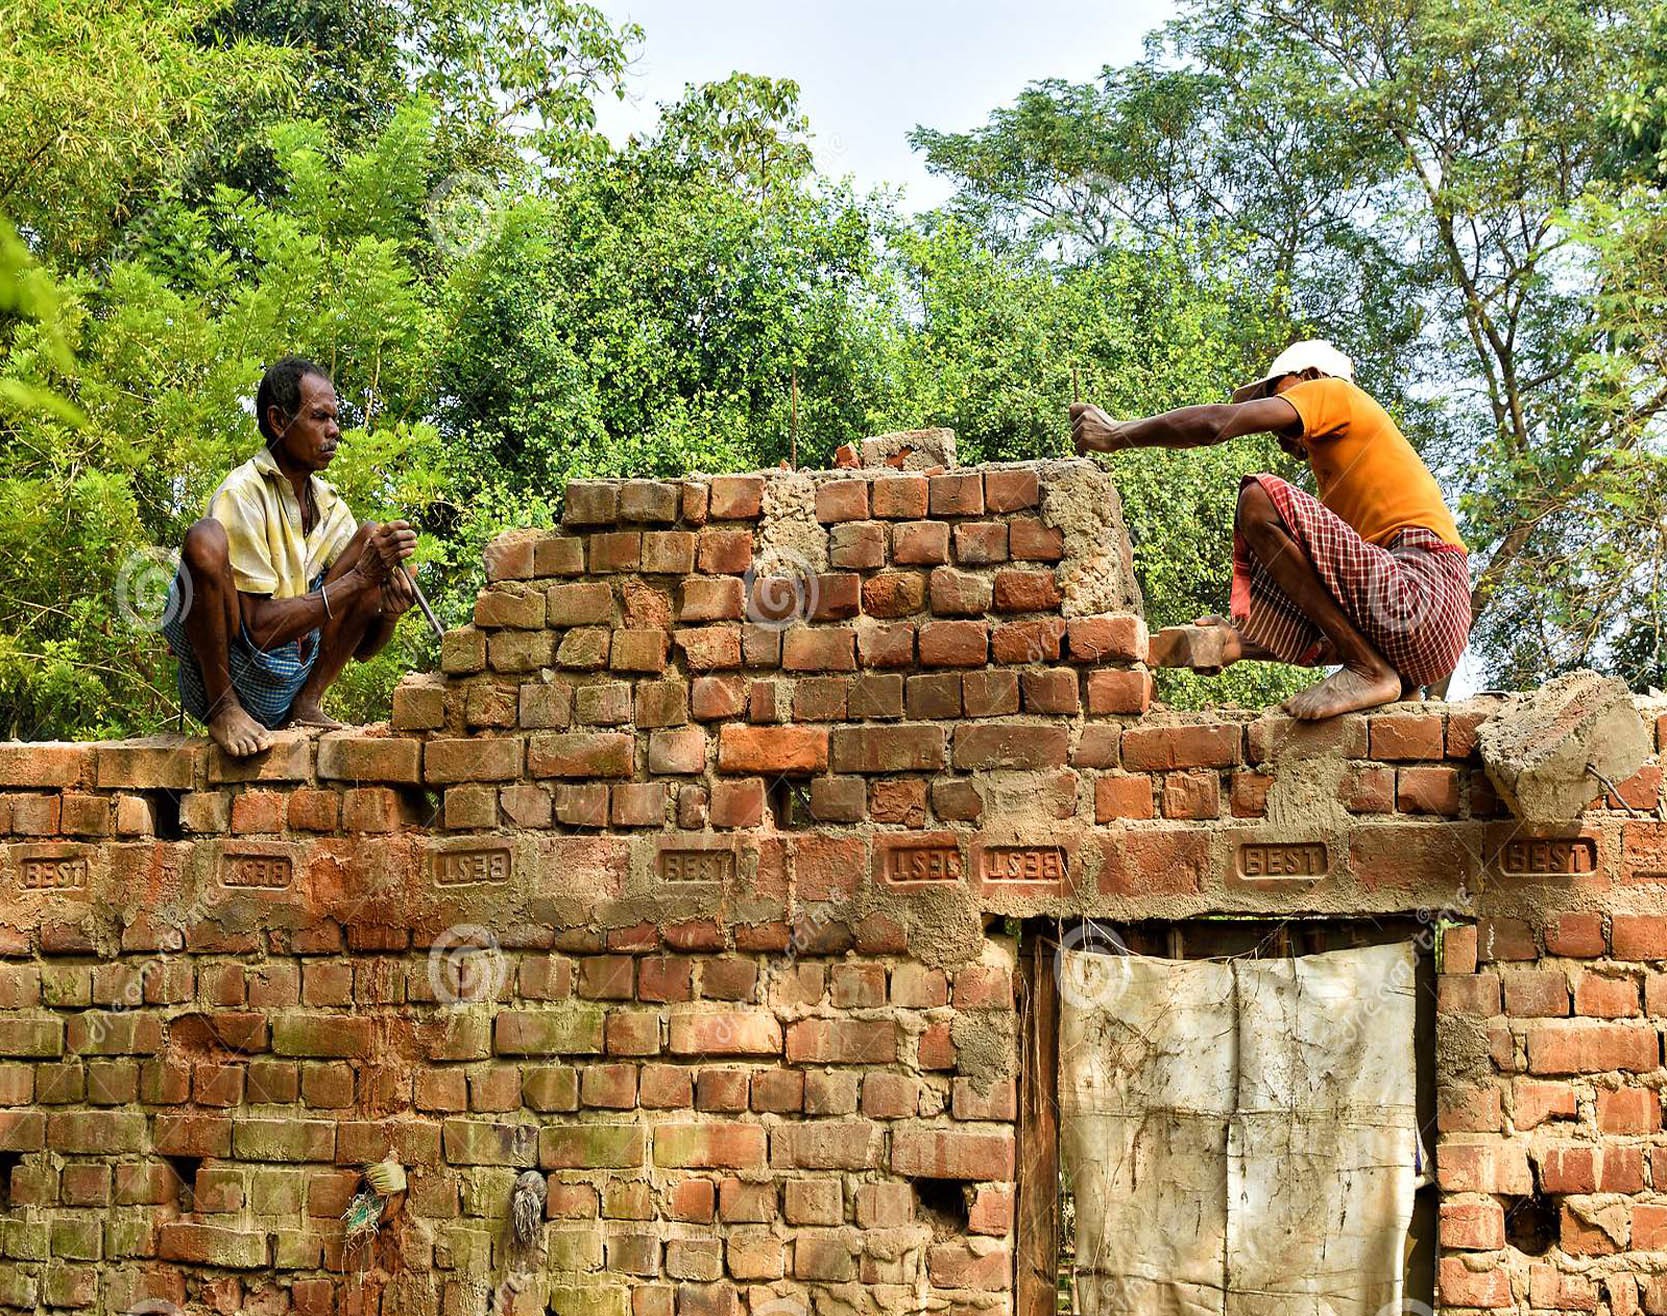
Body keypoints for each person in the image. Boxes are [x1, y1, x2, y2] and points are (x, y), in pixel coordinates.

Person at [1071, 339, 1471, 719]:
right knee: (1304, 581)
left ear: (1312, 377)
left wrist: (1116, 433)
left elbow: (1216, 424)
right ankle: (1381, 674)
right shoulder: (1344, 505)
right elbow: (1325, 624)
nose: (1275, 420)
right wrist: (1238, 643)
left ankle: (1369, 669)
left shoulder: (1337, 394)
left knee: (1260, 500)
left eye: (1276, 394)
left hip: (1426, 590)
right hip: (1425, 637)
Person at [161, 356, 418, 757]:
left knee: (372, 539)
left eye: (335, 419)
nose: (334, 431)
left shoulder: (331, 507)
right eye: (319, 418)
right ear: (279, 422)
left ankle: (306, 703)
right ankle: (224, 710)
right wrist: (359, 578)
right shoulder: (242, 493)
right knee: (204, 539)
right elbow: (260, 631)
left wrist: (390, 612)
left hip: (290, 678)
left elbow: (363, 648)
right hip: (238, 673)